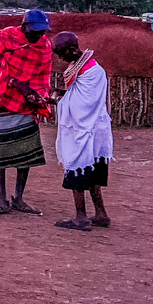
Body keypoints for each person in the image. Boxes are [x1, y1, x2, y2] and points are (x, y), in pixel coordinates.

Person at [0, 9, 53, 216]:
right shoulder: (5, 38)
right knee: (1, 152)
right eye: (35, 31)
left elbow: (44, 75)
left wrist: (38, 95)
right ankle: (1, 200)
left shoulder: (44, 46)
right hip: (2, 100)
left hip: (26, 105)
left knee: (24, 153)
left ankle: (18, 198)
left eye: (42, 31)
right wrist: (17, 84)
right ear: (24, 26)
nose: (38, 35)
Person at [50, 31, 112, 231]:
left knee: (78, 168)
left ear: (71, 49)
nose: (60, 58)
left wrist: (60, 101)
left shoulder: (92, 71)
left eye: (61, 53)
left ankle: (81, 217)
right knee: (91, 172)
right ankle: (101, 214)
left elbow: (82, 106)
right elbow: (79, 94)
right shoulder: (87, 68)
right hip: (96, 129)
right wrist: (64, 93)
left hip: (85, 130)